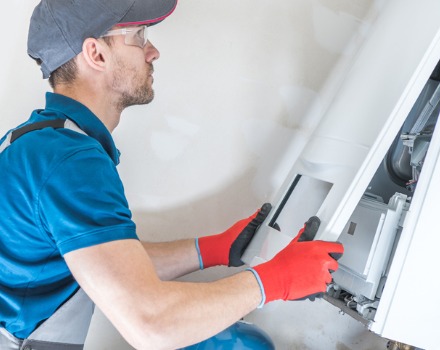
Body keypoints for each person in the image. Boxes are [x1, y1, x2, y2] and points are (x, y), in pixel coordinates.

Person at [0, 1, 344, 349]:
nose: (153, 52)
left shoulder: (36, 140)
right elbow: (151, 324)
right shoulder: (70, 160)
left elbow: (105, 263)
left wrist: (211, 249)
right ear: (96, 54)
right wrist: (274, 280)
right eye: (138, 37)